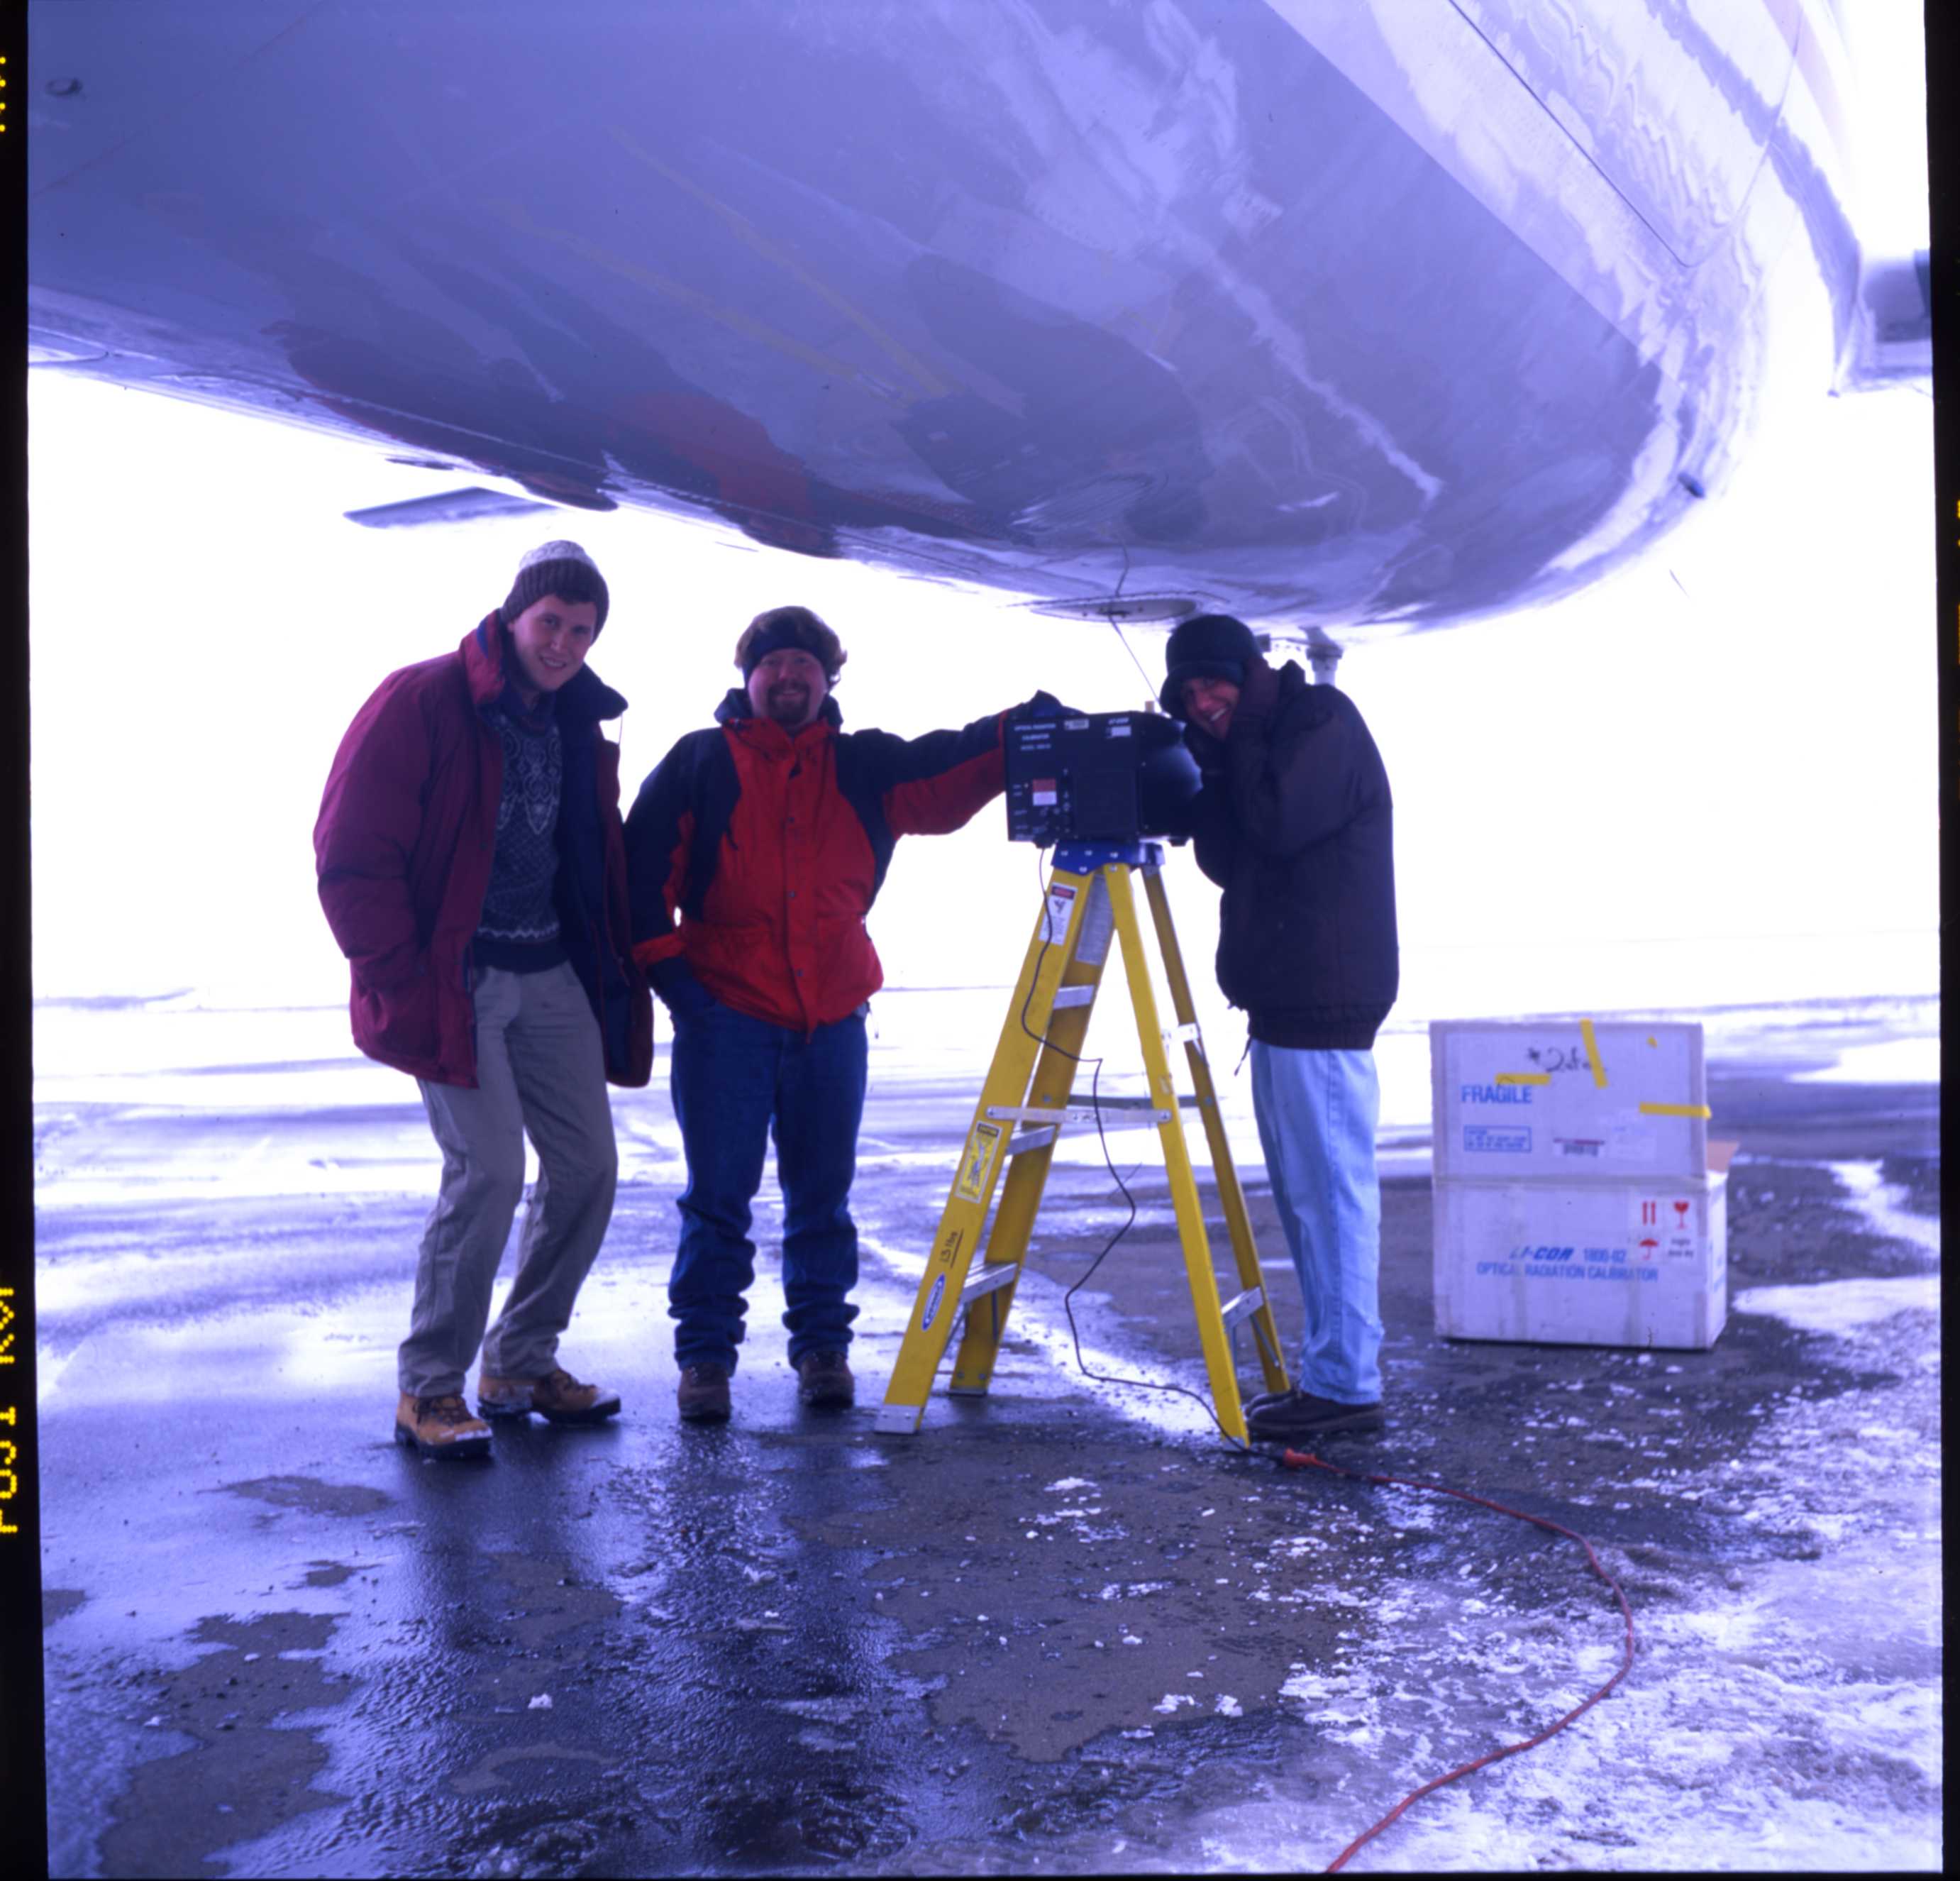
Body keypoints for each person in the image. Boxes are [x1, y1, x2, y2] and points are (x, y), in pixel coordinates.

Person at [626, 605, 1051, 1423]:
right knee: (718, 1199)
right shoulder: (699, 762)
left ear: (827, 681)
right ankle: (705, 1361)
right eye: (774, 664)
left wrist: (1020, 728)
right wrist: (689, 997)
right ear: (747, 676)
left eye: (806, 667)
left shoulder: (864, 767)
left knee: (823, 1198)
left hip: (833, 1022)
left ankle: (823, 1350)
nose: (789, 678)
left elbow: (952, 766)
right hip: (730, 1023)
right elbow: (642, 883)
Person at [316, 541, 653, 1460]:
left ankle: (518, 1360)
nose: (563, 644)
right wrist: (395, 972)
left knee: (586, 1169)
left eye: (581, 631)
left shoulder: (577, 722)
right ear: (513, 616)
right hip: (454, 979)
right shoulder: (421, 699)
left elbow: (594, 855)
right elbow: (351, 847)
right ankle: (428, 1387)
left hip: (550, 974)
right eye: (550, 623)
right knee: (491, 1173)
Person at [1161, 613, 1398, 1441]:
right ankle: (1335, 1372)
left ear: (1248, 671)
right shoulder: (1258, 739)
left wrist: (1235, 741)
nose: (1205, 700)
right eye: (1189, 694)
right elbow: (1230, 854)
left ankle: (1345, 1385)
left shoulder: (1319, 723)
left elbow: (1275, 822)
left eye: (1214, 683)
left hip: (1323, 1003)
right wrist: (1202, 764)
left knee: (1331, 1199)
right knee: (1310, 1198)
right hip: (1285, 1004)